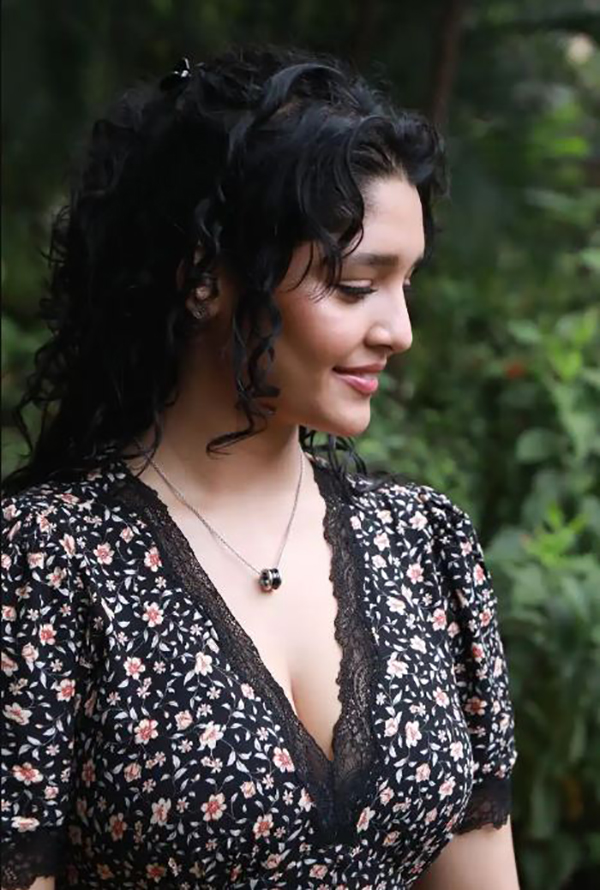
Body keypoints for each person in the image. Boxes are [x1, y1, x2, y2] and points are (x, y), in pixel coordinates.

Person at [1, 44, 520, 890]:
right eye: (356, 285)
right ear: (206, 278)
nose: (399, 332)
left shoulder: (425, 544)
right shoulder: (44, 559)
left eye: (408, 284)